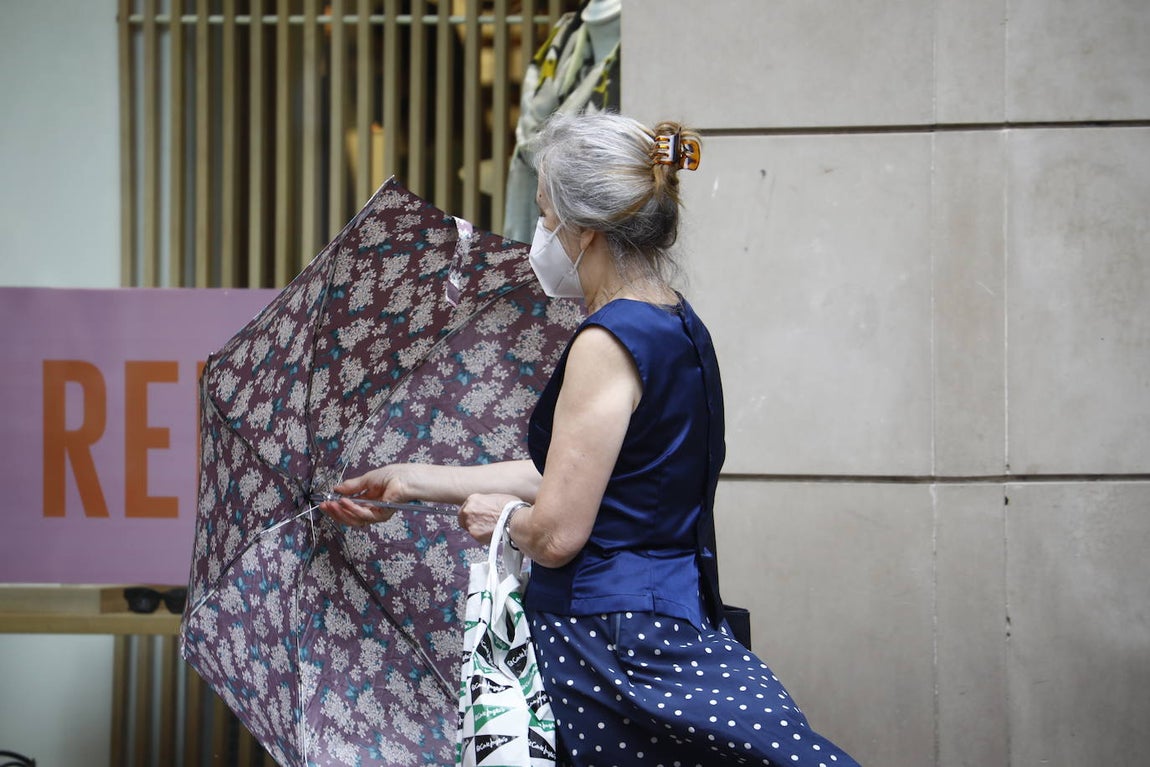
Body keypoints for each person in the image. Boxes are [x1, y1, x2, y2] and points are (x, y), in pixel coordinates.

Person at [320, 112, 860, 767]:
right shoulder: (677, 323)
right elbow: (592, 476)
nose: (539, 236)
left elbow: (556, 532)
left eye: (547, 218)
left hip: (604, 646)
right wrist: (416, 480)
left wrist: (503, 519)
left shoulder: (606, 340)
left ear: (587, 232)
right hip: (671, 623)